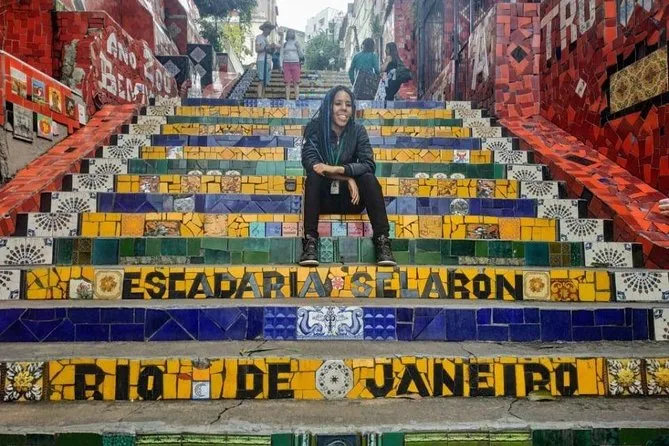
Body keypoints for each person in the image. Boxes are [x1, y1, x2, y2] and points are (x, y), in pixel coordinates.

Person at [299, 86, 396, 267]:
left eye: (348, 105)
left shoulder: (358, 131)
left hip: (351, 199)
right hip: (322, 200)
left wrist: (338, 169)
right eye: (338, 103)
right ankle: (310, 242)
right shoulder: (315, 130)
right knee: (313, 178)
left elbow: (368, 164)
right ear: (329, 106)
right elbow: (311, 163)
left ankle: (382, 241)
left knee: (368, 178)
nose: (344, 108)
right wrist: (348, 178)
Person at [280, 29, 304, 101]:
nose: (290, 33)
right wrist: (281, 66)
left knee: (296, 82)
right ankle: (287, 99)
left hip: (296, 64)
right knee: (287, 83)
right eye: (289, 32)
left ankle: (297, 99)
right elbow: (281, 55)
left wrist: (299, 47)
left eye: (292, 32)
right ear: (287, 34)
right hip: (286, 64)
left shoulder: (296, 43)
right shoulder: (284, 44)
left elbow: (301, 54)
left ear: (294, 34)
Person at [255, 21, 276, 99]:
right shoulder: (259, 37)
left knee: (265, 81)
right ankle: (259, 97)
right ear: (264, 28)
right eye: (267, 28)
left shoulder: (267, 39)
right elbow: (257, 49)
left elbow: (270, 51)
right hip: (261, 60)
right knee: (261, 79)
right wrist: (266, 47)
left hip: (268, 61)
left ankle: (262, 97)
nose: (269, 30)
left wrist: (272, 48)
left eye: (270, 28)